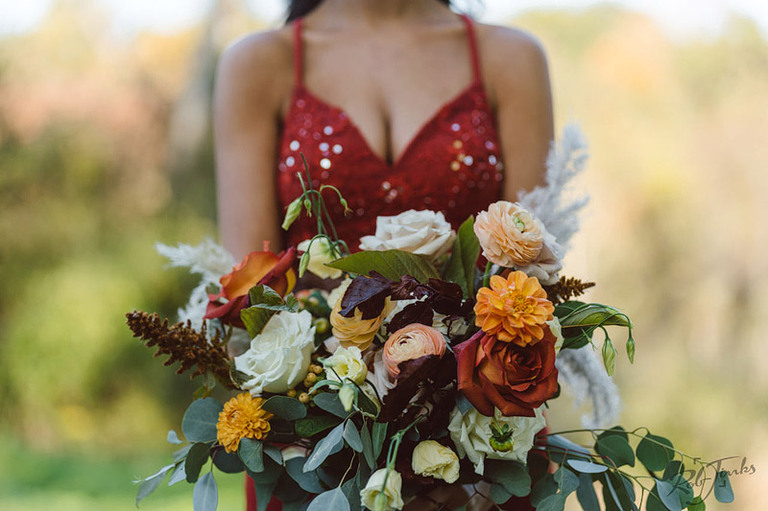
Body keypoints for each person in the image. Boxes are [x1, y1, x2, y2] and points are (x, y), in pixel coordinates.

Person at [213, 0, 553, 509]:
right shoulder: (262, 64)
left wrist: (472, 445)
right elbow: (252, 302)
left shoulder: (510, 59)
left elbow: (535, 280)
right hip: (315, 455)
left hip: (483, 450)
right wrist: (315, 435)